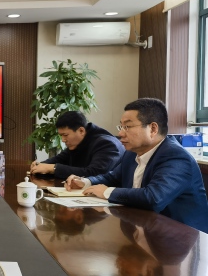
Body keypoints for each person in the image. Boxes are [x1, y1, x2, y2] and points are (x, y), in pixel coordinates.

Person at [65, 98, 208, 233]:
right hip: (142, 228)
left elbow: (153, 198)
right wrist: (85, 182)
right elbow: (112, 177)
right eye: (121, 126)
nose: (120, 133)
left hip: (180, 238)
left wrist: (107, 192)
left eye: (127, 126)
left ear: (153, 129)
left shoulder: (176, 157)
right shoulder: (131, 153)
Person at [30, 111, 124, 179]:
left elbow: (94, 173)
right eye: (61, 135)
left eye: (65, 135)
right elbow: (60, 159)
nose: (63, 140)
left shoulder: (106, 144)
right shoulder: (79, 141)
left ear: (81, 131)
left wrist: (53, 168)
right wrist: (42, 164)